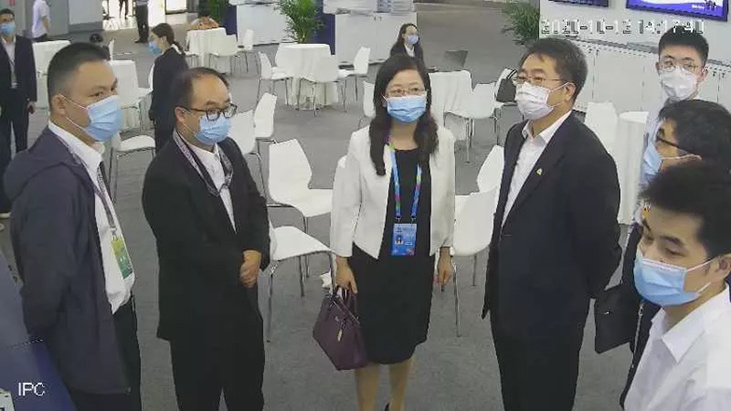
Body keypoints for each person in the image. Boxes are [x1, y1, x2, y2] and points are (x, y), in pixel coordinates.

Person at [481, 37, 621, 411]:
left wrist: (570, 297)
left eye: (538, 78)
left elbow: (602, 245)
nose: (525, 86)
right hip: (507, 299)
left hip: (551, 315)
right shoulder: (517, 136)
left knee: (546, 399)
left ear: (567, 90)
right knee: (514, 394)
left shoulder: (587, 157)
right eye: (522, 76)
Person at [3, 43, 141, 411]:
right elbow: (45, 289)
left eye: (112, 90)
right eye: (97, 95)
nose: (111, 102)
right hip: (88, 344)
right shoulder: (55, 182)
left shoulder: (84, 154)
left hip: (110, 322)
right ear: (61, 105)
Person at [331, 55, 455, 411]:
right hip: (372, 260)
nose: (407, 97)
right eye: (397, 91)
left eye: (415, 89)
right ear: (383, 97)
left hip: (417, 261)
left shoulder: (442, 140)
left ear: (426, 94)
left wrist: (446, 252)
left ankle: (397, 405)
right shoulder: (362, 141)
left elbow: (447, 199)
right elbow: (346, 205)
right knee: (369, 346)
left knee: (405, 342)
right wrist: (341, 261)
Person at [142, 67, 270, 411]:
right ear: (181, 115)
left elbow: (255, 203)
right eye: (211, 111)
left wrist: (257, 250)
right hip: (197, 316)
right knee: (199, 400)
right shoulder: (163, 174)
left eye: (226, 108)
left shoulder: (227, 148)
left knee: (248, 396)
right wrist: (240, 264)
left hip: (243, 308)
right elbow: (185, 246)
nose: (221, 118)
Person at [617, 99, 731, 404]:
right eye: (647, 237)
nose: (649, 256)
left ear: (721, 266)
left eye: (670, 251)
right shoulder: (671, 314)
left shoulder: (713, 385)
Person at [0, 8, 37, 221]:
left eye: (10, 20)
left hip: (21, 99)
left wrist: (32, 98)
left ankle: (24, 184)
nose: (7, 24)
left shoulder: (24, 44)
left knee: (22, 143)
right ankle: (6, 187)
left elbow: (31, 71)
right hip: (3, 103)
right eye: (3, 21)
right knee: (4, 148)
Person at [148, 23, 188, 151]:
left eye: (153, 39)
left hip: (165, 116)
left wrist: (152, 114)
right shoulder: (180, 58)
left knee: (164, 153)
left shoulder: (161, 62)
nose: (151, 43)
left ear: (163, 39)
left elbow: (158, 92)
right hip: (181, 114)